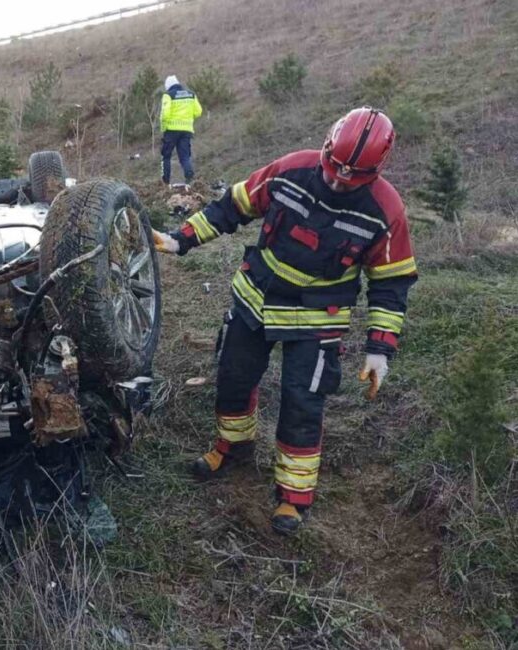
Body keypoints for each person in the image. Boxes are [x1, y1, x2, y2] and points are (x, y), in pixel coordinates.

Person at [152, 108, 417, 536]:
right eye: (332, 169)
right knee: (234, 379)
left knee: (302, 403)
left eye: (349, 178)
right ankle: (233, 447)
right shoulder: (290, 169)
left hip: (317, 322)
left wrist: (379, 349)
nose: (335, 181)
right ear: (327, 147)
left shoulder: (385, 210)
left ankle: (293, 497)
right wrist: (180, 239)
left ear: (374, 171)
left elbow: (392, 282)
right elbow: (233, 206)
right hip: (255, 300)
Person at [160, 74, 203, 185]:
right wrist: (188, 117)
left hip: (171, 130)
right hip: (186, 130)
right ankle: (189, 178)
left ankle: (165, 181)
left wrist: (163, 128)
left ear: (168, 86)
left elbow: (165, 115)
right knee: (185, 156)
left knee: (166, 156)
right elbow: (198, 112)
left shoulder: (168, 95)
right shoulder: (191, 94)